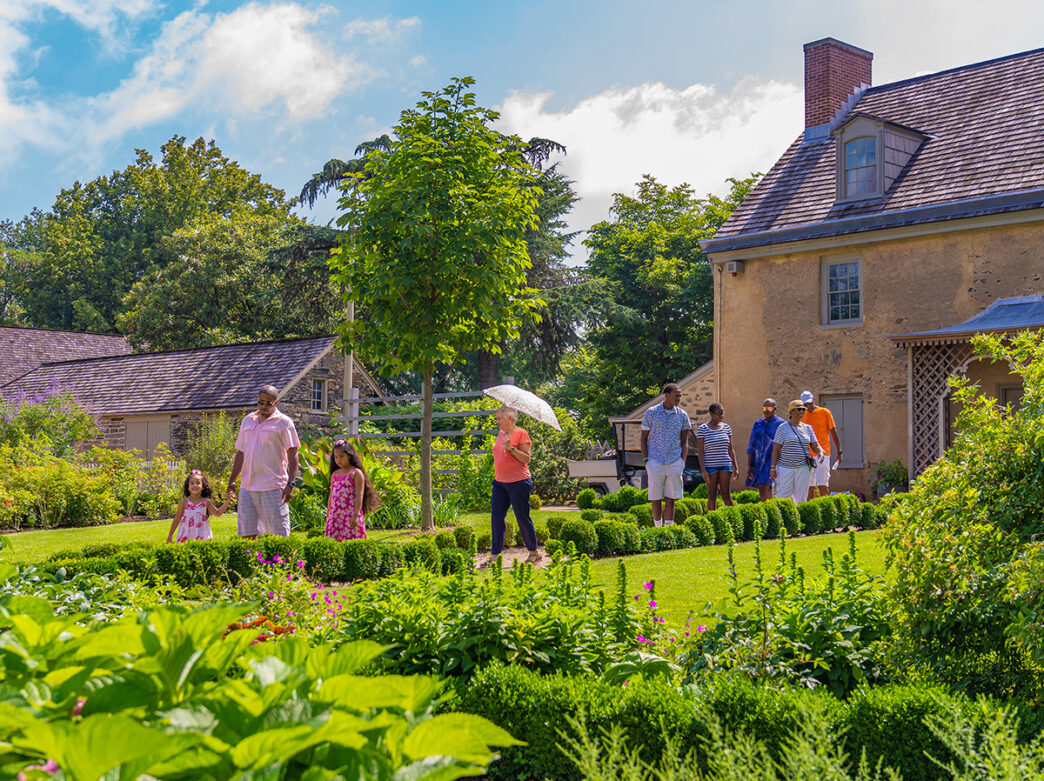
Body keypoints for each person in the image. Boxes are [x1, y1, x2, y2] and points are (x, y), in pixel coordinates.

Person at [227, 384, 300, 539]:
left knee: (277, 536)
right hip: (247, 487)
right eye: (261, 402)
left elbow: (293, 453)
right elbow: (241, 452)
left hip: (273, 487)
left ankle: (280, 563)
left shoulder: (284, 423)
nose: (264, 406)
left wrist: (291, 483)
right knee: (246, 536)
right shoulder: (247, 421)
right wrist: (232, 480)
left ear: (276, 403)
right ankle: (250, 563)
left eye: (269, 403)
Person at [485, 406, 541, 565]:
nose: (497, 422)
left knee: (522, 517)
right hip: (500, 483)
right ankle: (495, 556)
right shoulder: (501, 434)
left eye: (499, 419)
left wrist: (511, 448)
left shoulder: (521, 433)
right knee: (496, 518)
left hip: (519, 482)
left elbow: (526, 459)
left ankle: (534, 552)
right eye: (496, 419)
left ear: (509, 419)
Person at [640, 383, 692, 526]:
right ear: (667, 395)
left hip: (674, 461)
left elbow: (684, 441)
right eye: (677, 395)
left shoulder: (682, 415)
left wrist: (682, 461)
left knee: (671, 497)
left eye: (680, 396)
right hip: (655, 461)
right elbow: (643, 438)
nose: (679, 398)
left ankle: (668, 530)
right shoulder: (651, 412)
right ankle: (658, 529)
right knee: (655, 497)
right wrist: (646, 460)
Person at [770, 400, 824, 505]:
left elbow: (815, 445)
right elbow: (776, 449)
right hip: (785, 467)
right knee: (783, 496)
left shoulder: (808, 428)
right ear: (792, 411)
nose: (802, 411)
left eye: (803, 409)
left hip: (803, 467)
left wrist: (820, 452)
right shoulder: (783, 428)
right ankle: (783, 519)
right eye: (799, 409)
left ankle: (798, 519)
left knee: (801, 497)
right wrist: (773, 468)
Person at [325, 439, 380, 541]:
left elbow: (359, 495)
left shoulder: (356, 473)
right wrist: (329, 514)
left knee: (352, 540)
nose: (338, 460)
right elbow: (331, 495)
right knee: (333, 542)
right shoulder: (335, 474)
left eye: (342, 456)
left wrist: (355, 515)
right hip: (335, 515)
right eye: (336, 457)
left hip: (350, 514)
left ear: (349, 455)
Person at [166, 469, 234, 543]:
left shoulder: (206, 502)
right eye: (192, 483)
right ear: (188, 487)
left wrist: (227, 501)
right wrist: (170, 534)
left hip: (202, 534)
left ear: (203, 486)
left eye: (198, 483)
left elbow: (217, 513)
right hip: (186, 535)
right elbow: (177, 518)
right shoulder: (184, 502)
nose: (195, 485)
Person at [800, 390, 842, 499]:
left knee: (822, 485)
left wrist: (839, 451)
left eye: (809, 403)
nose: (807, 406)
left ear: (813, 399)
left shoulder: (825, 412)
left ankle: (827, 509)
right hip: (807, 455)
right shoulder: (801, 415)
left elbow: (833, 431)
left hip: (823, 454)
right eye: (805, 404)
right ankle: (811, 511)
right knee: (809, 486)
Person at [697, 402, 738, 510]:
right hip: (711, 465)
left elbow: (730, 448)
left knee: (726, 495)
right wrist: (703, 470)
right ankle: (712, 520)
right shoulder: (703, 429)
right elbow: (701, 451)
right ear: (711, 413)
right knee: (712, 496)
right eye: (719, 413)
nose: (721, 416)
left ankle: (733, 519)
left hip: (725, 464)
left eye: (722, 413)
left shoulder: (726, 428)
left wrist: (736, 467)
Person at [745, 398, 786, 501]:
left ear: (775, 408)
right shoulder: (758, 424)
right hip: (758, 462)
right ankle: (769, 510)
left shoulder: (781, 424)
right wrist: (749, 465)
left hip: (774, 459)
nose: (766, 410)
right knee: (762, 487)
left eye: (770, 407)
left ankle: (770, 510)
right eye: (764, 407)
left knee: (767, 487)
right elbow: (751, 445)